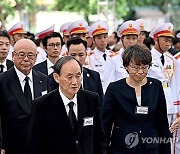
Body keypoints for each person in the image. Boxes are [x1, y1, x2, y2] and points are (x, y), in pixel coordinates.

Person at [27, 56, 107, 154]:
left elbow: (99, 137)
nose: (75, 82)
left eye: (78, 76)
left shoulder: (92, 99)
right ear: (56, 77)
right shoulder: (42, 105)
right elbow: (34, 144)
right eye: (69, 77)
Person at [102, 44, 171, 154]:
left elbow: (162, 122)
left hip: (151, 147)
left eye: (145, 67)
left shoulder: (156, 86)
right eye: (135, 67)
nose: (140, 72)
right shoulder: (114, 88)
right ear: (126, 66)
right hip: (122, 147)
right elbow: (105, 124)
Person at [0, 39, 49, 154]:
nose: (26, 59)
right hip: (12, 145)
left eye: (30, 55)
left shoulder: (44, 80)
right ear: (13, 55)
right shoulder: (2, 81)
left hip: (39, 145)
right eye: (21, 55)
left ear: (36, 57)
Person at [49, 37, 104, 105]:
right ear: (67, 54)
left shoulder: (94, 76)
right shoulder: (56, 77)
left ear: (86, 54)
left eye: (81, 55)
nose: (77, 59)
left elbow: (100, 104)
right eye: (73, 55)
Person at [88, 21, 116, 93]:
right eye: (99, 38)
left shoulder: (113, 56)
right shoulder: (90, 57)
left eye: (105, 37)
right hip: (97, 93)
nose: (103, 40)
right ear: (94, 40)